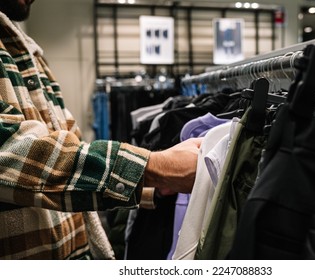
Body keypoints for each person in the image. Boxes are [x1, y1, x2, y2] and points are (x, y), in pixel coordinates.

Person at [0, 0, 201, 259]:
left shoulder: (25, 50)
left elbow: (67, 144)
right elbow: (10, 151)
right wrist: (155, 168)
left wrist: (152, 186)